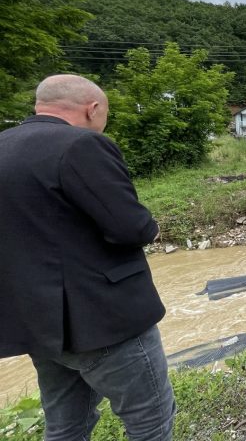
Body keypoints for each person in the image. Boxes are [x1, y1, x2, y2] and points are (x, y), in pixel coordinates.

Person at [0, 75, 176, 439]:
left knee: (66, 424)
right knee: (150, 420)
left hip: (37, 322)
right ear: (92, 109)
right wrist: (152, 228)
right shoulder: (82, 145)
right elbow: (127, 227)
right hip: (102, 318)